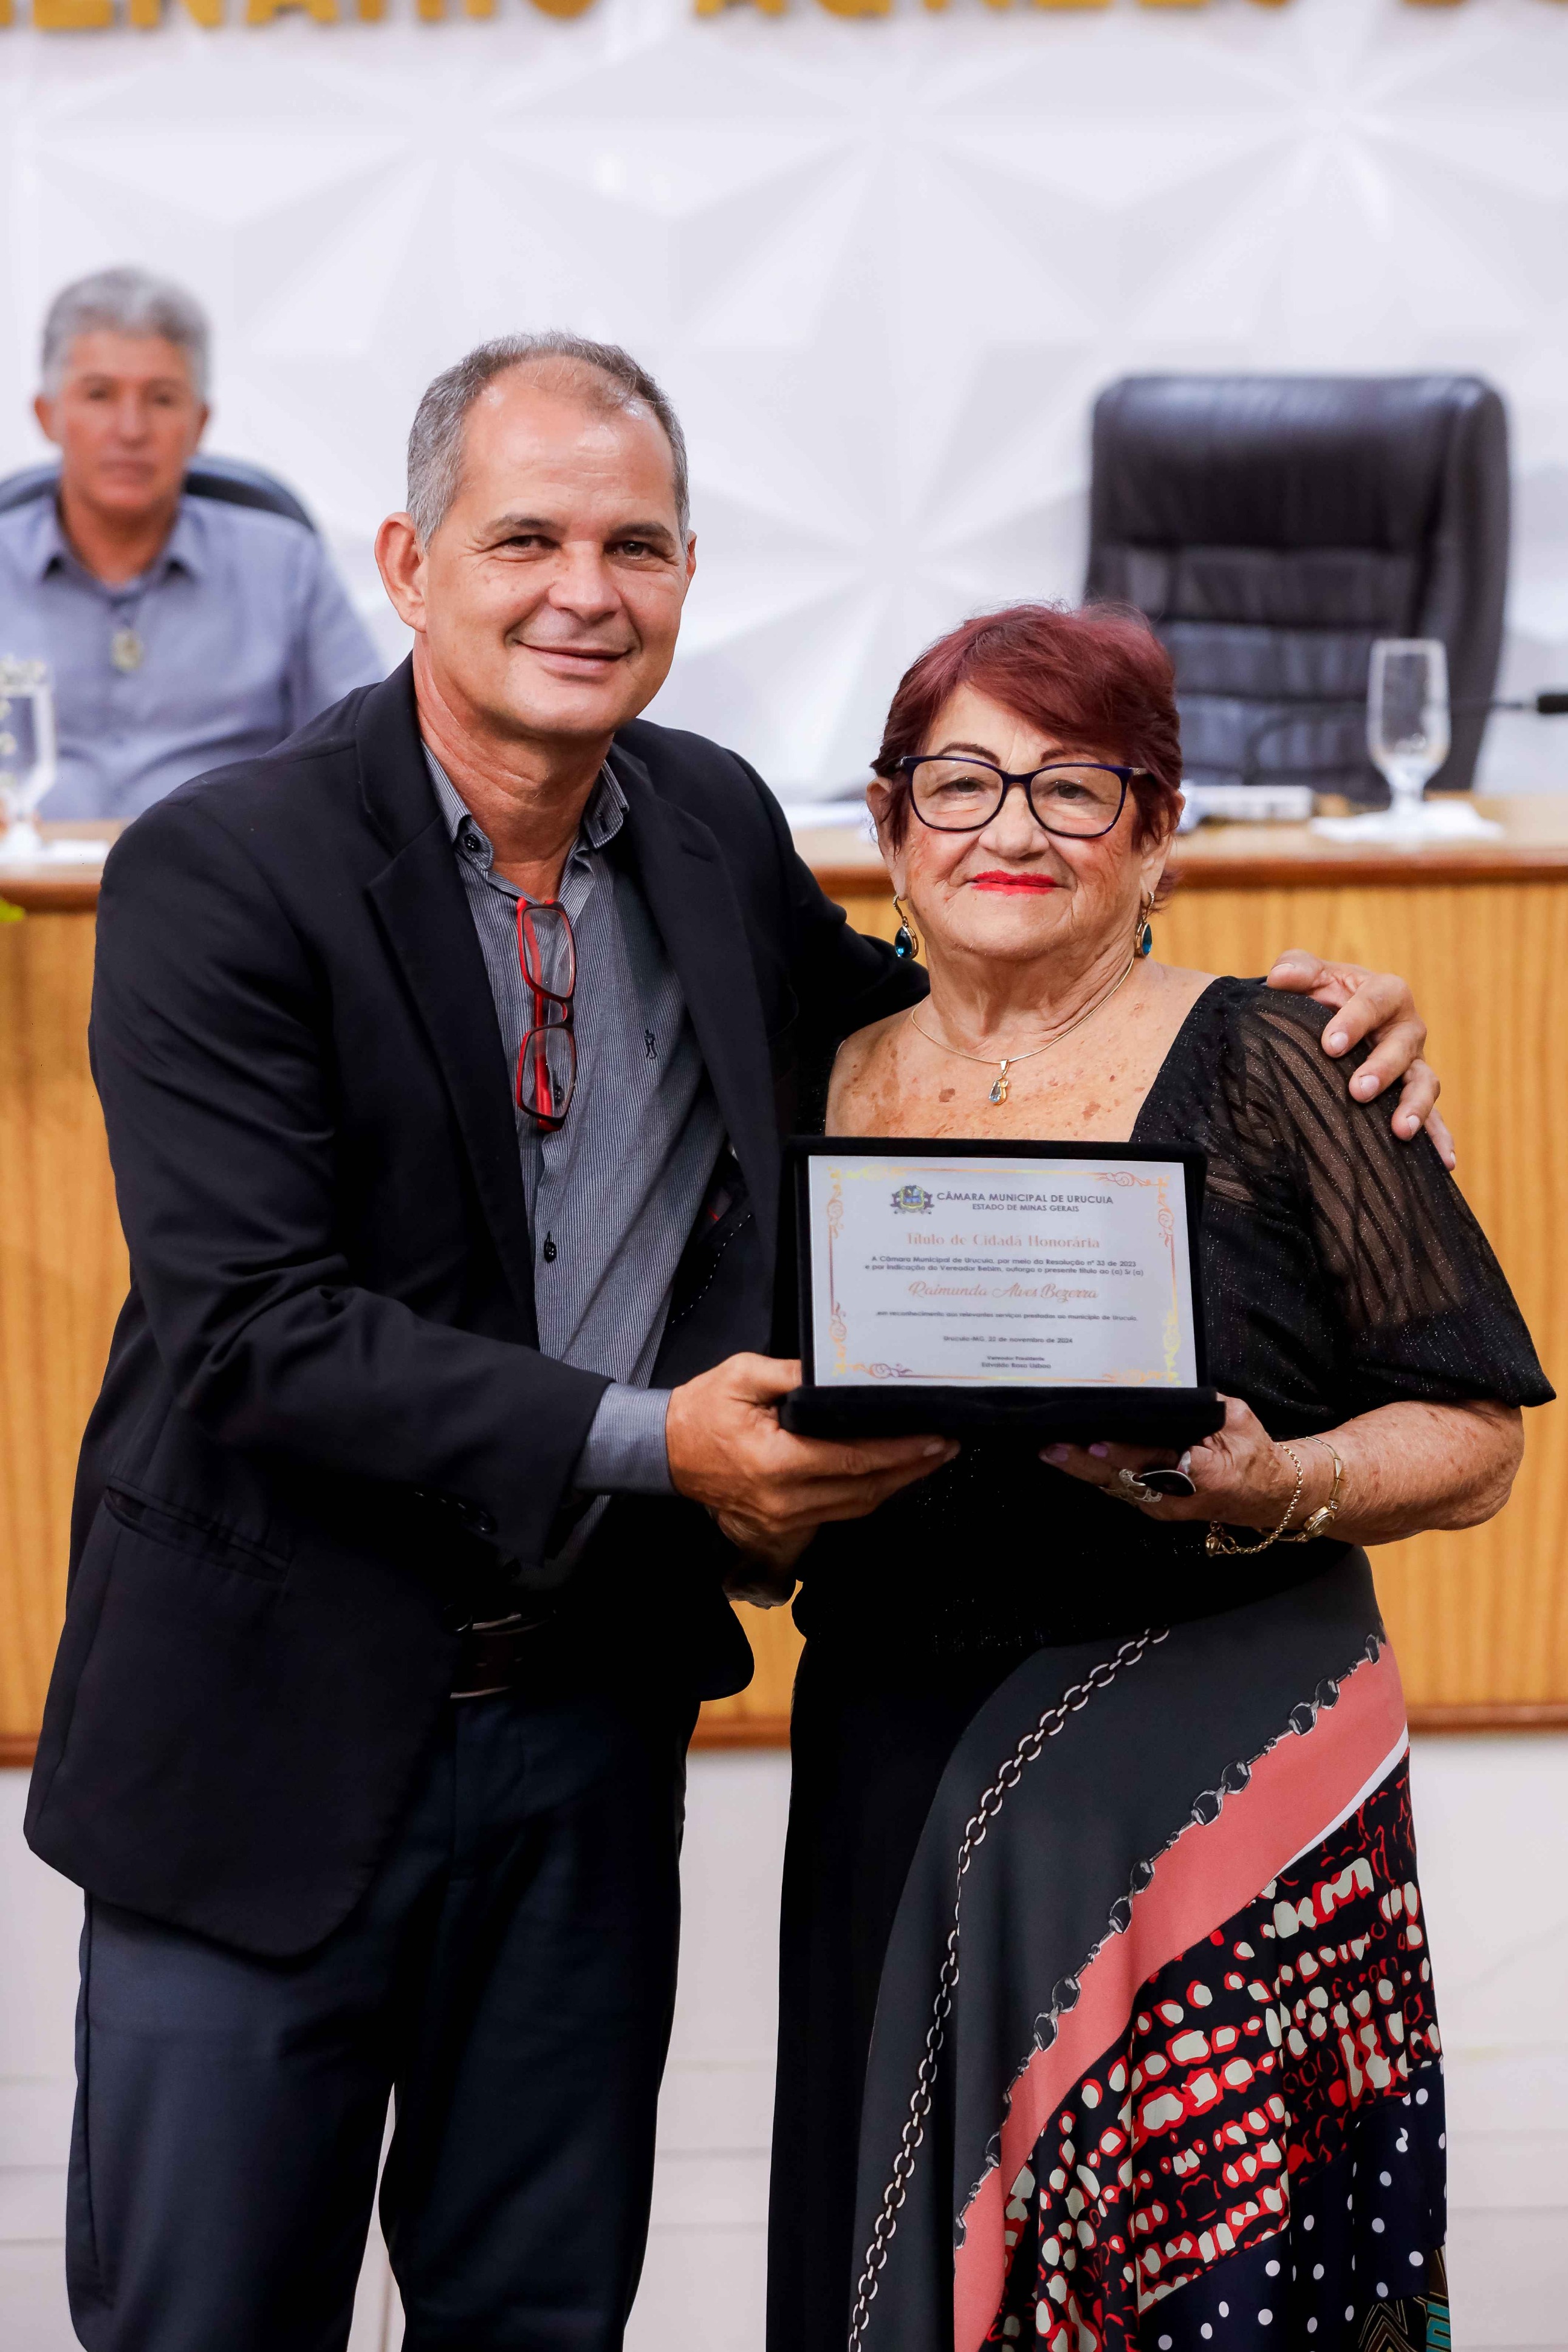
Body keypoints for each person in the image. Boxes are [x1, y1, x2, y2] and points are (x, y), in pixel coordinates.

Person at [28, 332, 1443, 2352]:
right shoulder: (223, 868)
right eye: (524, 538)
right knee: (206, 2317)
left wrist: (1274, 1032)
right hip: (262, 1733)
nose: (582, 590)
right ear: (409, 562)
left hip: (583, 1730)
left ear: (689, 574)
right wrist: (659, 1442)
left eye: (636, 544)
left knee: (538, 2312)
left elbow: (927, 1028)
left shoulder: (699, 820)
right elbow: (256, 1330)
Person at [764, 604, 1551, 2352]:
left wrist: (1281, 1479)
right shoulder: (806, 1074)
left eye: (1074, 785)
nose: (1012, 827)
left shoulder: (1285, 1059)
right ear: (887, 823)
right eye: (959, 780)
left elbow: (1475, 1434)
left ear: (1157, 833)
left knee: (1216, 2280)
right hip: (895, 1744)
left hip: (1220, 1768)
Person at [0, 266, 380, 824]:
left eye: (162, 399)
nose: (130, 429)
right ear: (47, 415)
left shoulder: (284, 567)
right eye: (99, 395)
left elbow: (371, 756)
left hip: (230, 875)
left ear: (200, 423)